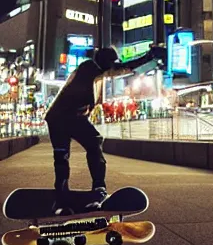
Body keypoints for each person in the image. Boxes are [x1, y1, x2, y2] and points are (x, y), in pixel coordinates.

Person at [45, 46, 155, 213]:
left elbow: (120, 69)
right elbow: (120, 68)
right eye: (111, 64)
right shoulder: (88, 67)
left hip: (72, 117)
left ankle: (97, 188)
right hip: (60, 118)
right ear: (105, 62)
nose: (113, 68)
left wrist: (148, 58)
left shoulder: (97, 74)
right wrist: (148, 57)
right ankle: (61, 197)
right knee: (63, 155)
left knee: (93, 143)